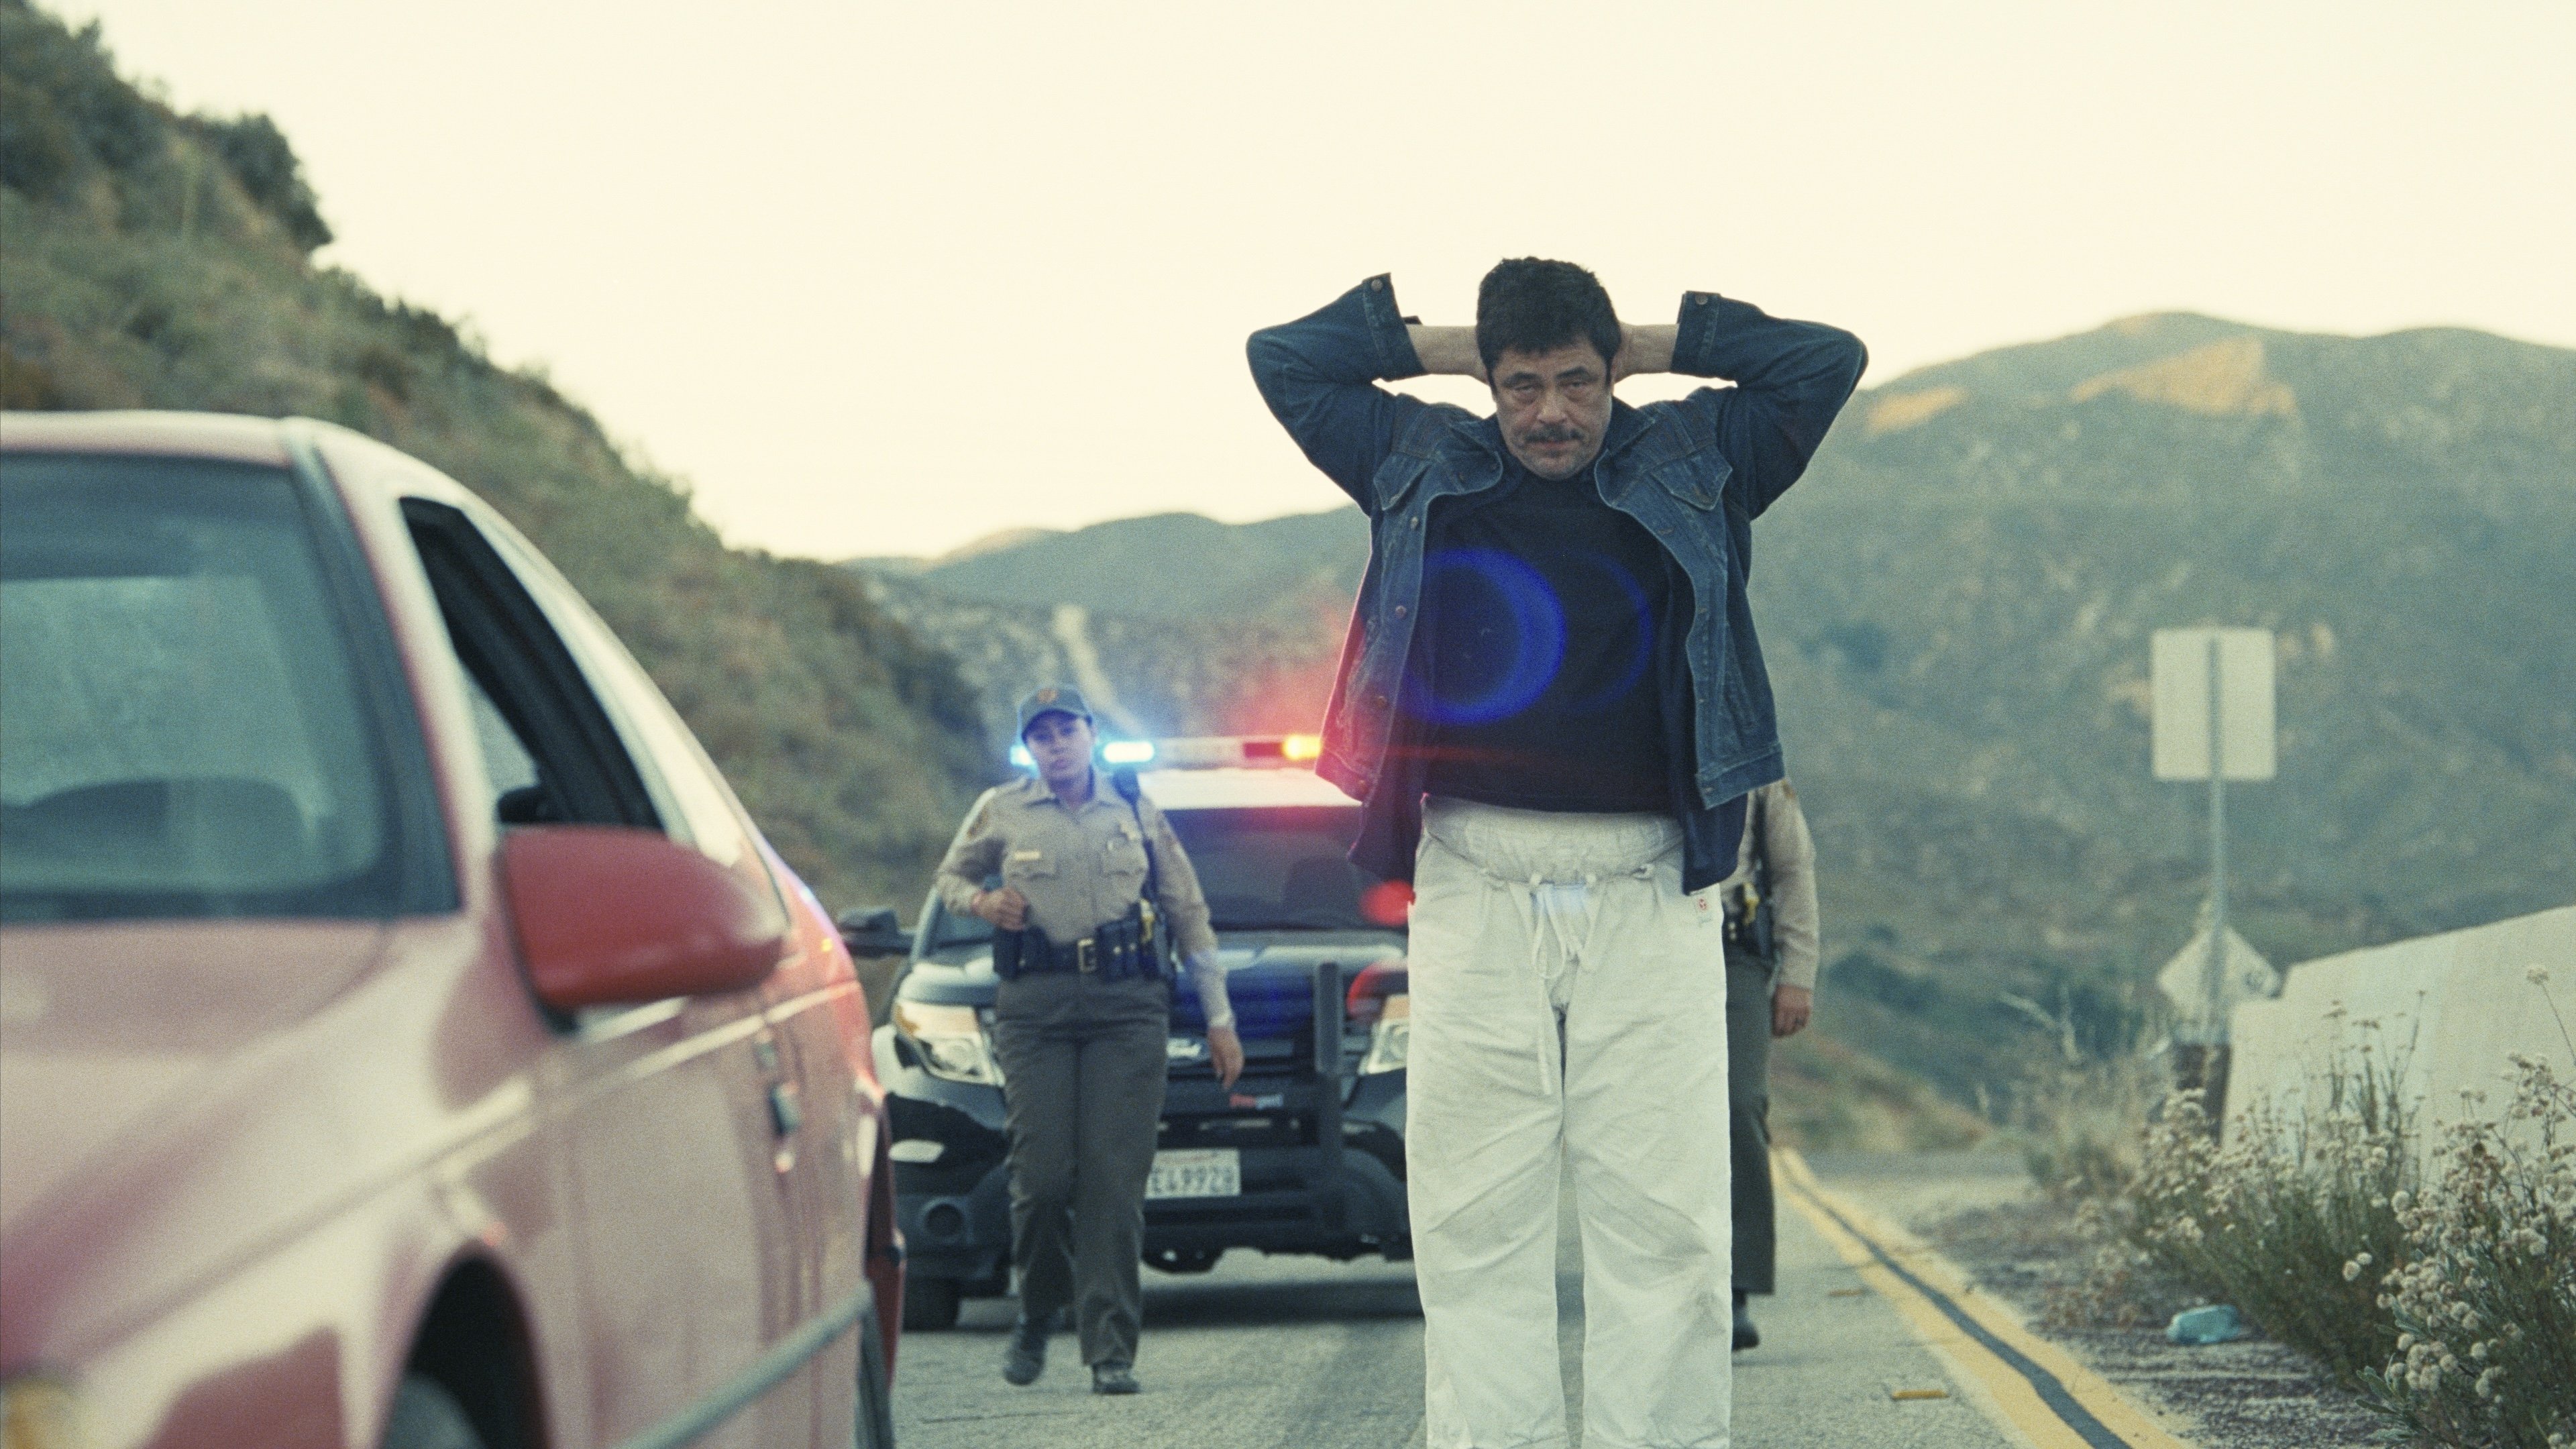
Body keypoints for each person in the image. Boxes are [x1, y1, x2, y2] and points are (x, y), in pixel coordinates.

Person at [1248, 260, 1864, 1448]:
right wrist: (1447, 349)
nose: (1549, 413)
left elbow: (1825, 359)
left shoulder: (1701, 457)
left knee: (1669, 1226)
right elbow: (1285, 356)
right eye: (1520, 384)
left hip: (1652, 889)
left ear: (1611, 376)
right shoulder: (1417, 455)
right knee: (1478, 1220)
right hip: (1474, 880)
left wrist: (1653, 340)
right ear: (1488, 383)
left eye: (1576, 381)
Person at [932, 686, 1244, 1395]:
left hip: (1127, 1008)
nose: (1056, 744)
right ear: (1029, 748)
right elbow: (950, 876)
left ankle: (1110, 1350)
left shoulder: (1134, 809)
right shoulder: (1001, 809)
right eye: (1041, 735)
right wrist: (982, 901)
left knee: (1112, 1180)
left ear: (1090, 733)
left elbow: (1188, 915)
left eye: (1066, 730)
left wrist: (1219, 1018)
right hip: (1034, 1009)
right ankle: (1039, 1307)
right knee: (1041, 1179)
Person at [1721, 778, 1819, 1351]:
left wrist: (1798, 974)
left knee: (1738, 1106)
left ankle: (1735, 1285)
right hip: (1640, 946)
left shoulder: (1750, 744)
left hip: (1732, 951)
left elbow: (1792, 868)